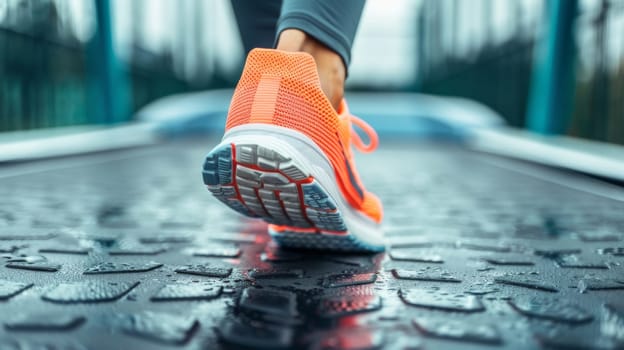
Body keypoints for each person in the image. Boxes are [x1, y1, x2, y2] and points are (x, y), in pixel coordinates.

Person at [202, 0, 384, 252]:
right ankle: (315, 71)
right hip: (308, 107)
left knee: (273, 50)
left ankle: (267, 88)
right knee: (308, 53)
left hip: (253, 103)